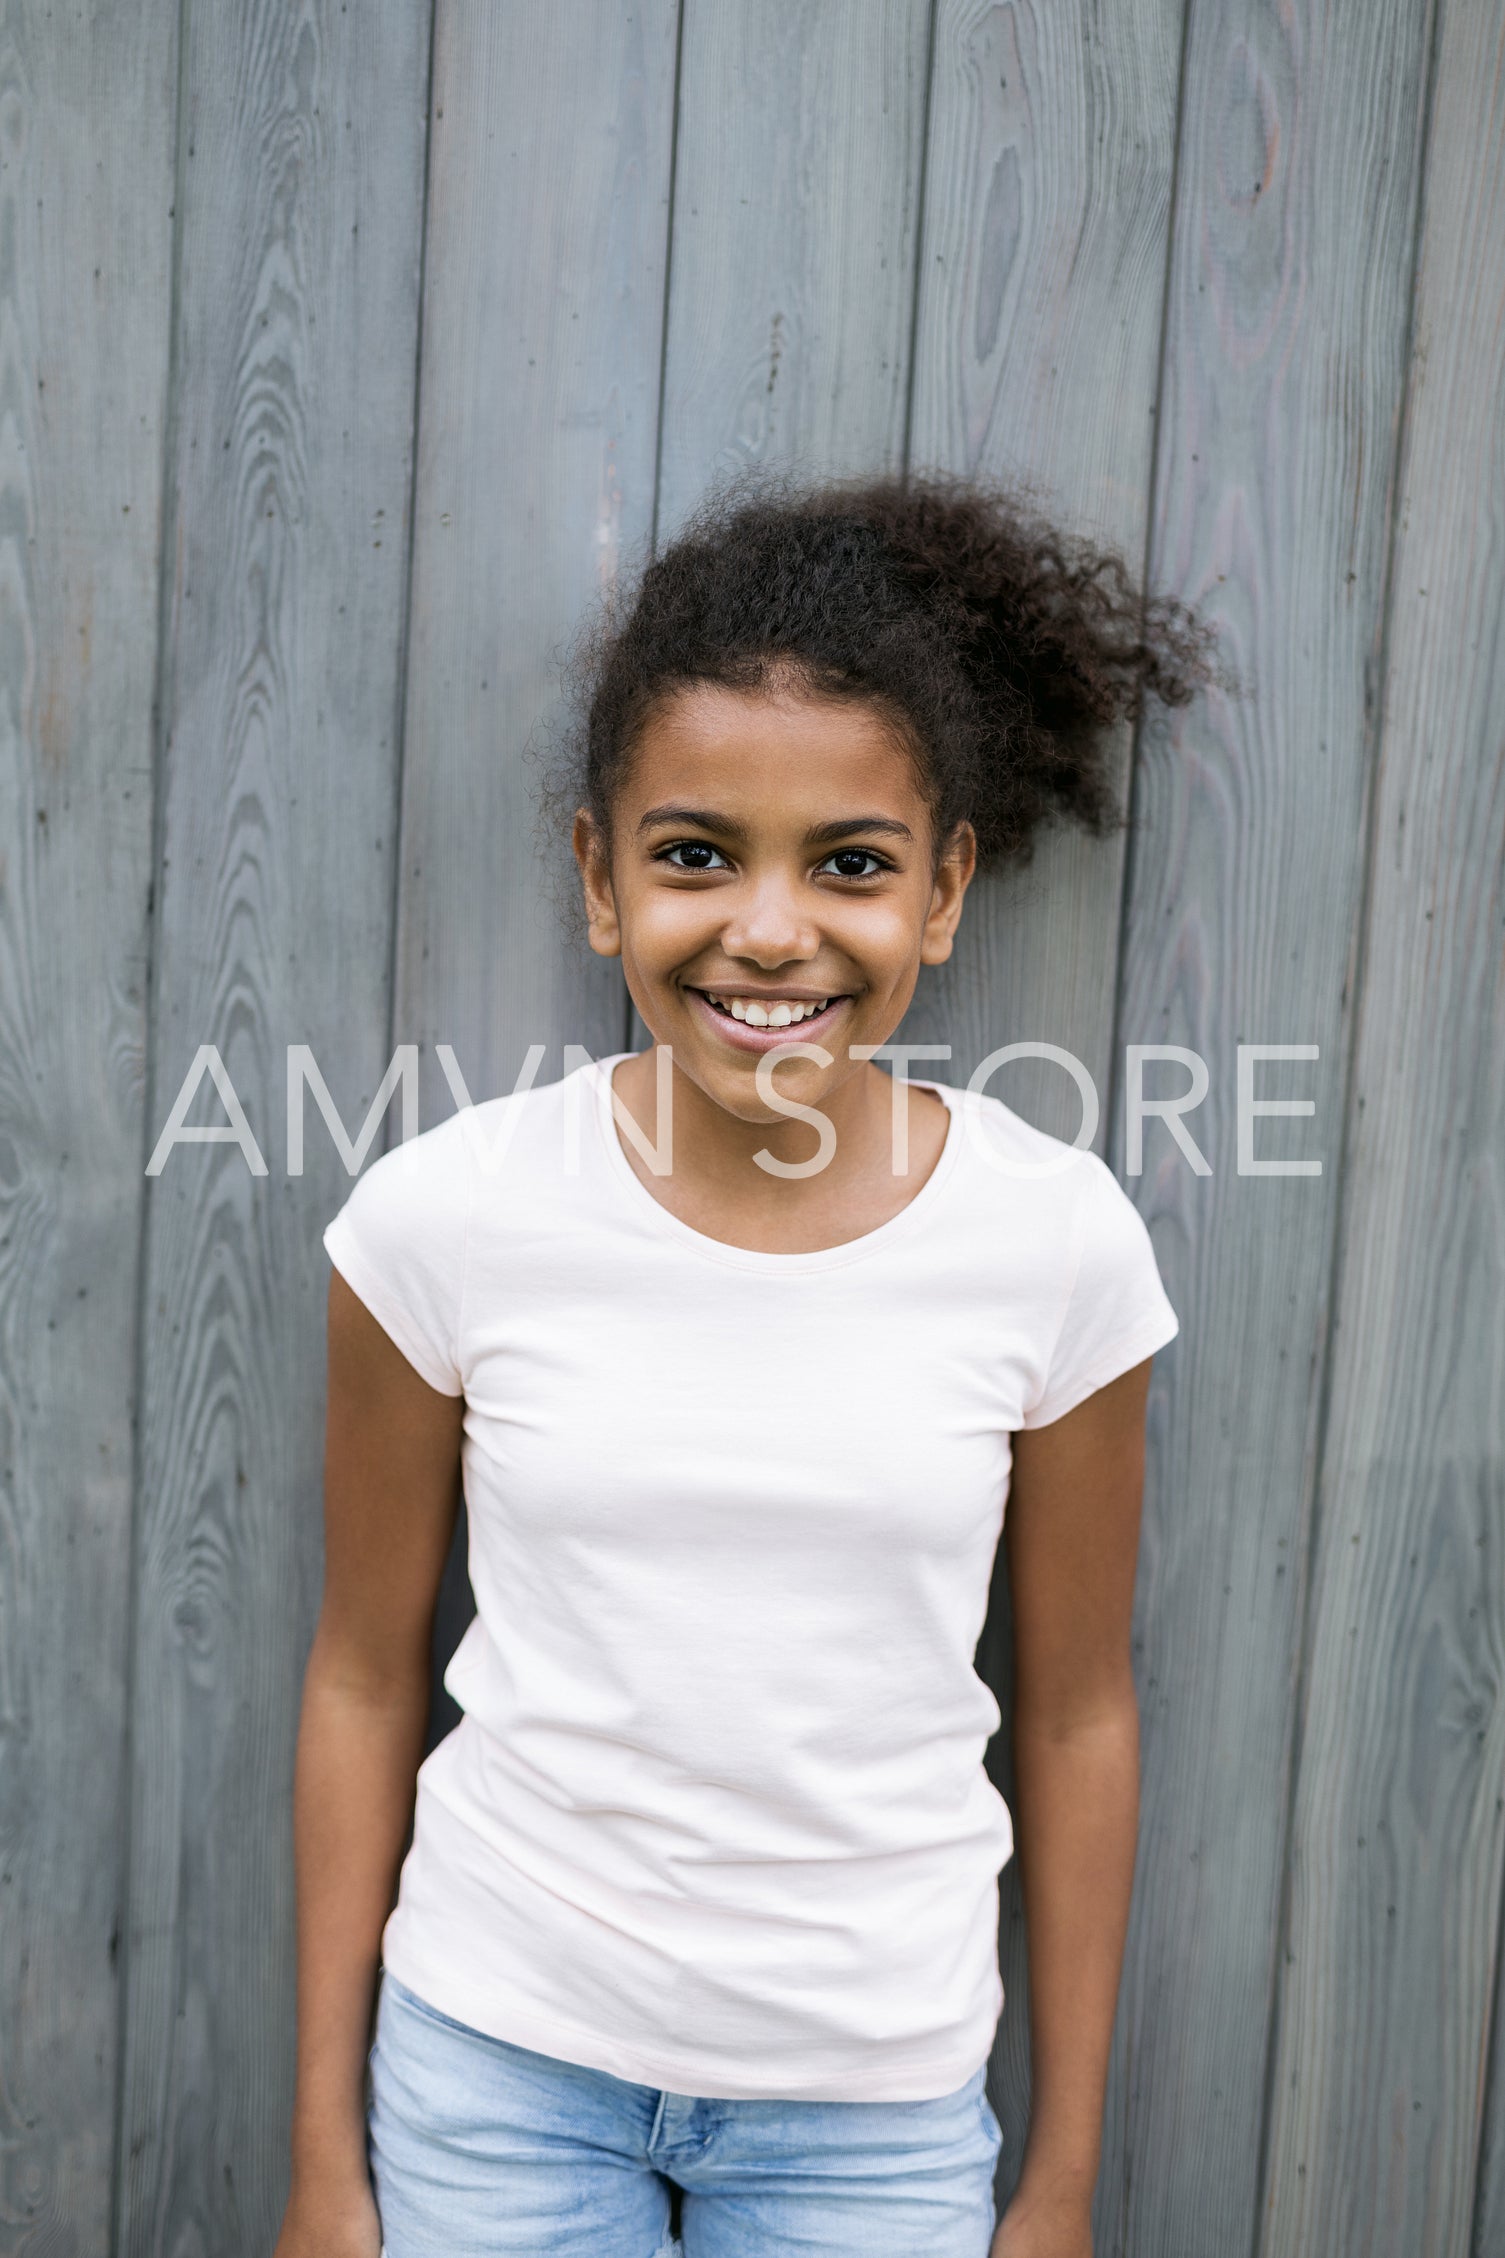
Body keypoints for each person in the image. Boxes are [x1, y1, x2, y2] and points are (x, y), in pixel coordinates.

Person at [273, 478, 1210, 2258]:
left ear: (942, 890)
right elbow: (358, 1678)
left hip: (869, 2110)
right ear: (597, 876)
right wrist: (327, 2156)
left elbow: (1081, 1713)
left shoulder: (1055, 1243)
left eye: (848, 863)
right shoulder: (443, 1218)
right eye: (695, 852)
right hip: (494, 2072)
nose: (767, 930)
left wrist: (1062, 2177)